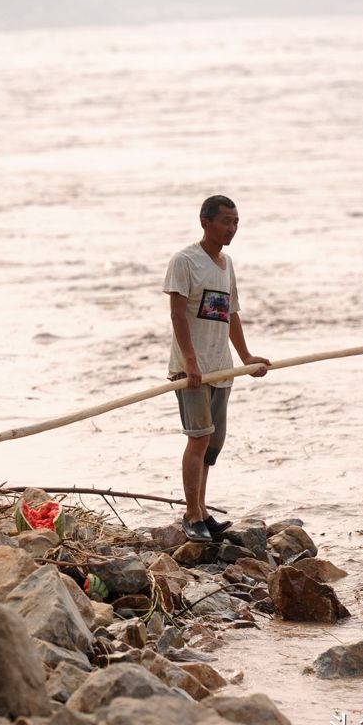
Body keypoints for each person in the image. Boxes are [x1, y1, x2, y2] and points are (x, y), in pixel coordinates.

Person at [163, 195, 270, 542]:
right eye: (226, 221)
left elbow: (231, 314)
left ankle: (203, 509)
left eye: (236, 221)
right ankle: (191, 514)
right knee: (199, 437)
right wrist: (190, 361)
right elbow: (178, 314)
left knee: (213, 443)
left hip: (221, 368)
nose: (232, 228)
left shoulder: (227, 264)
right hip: (192, 370)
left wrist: (245, 357)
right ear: (205, 222)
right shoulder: (185, 261)